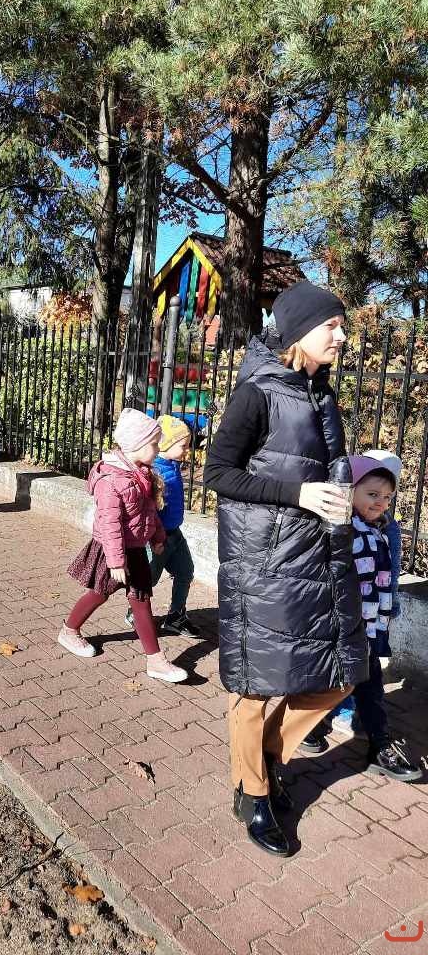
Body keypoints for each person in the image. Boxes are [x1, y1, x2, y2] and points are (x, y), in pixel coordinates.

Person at [203, 280, 369, 858]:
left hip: (319, 556)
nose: (342, 337)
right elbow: (218, 473)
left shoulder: (321, 394)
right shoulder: (257, 392)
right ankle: (252, 792)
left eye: (342, 326)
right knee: (255, 682)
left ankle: (270, 757)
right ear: (300, 329)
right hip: (264, 561)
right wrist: (298, 494)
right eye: (333, 326)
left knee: (342, 671)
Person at [58, 408, 188, 685]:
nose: (158, 450)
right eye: (154, 444)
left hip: (136, 548)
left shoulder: (142, 473)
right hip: (112, 550)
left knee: (141, 600)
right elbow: (110, 524)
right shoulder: (111, 480)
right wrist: (116, 561)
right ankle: (69, 630)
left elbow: (150, 512)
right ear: (137, 445)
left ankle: (155, 660)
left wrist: (157, 537)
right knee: (99, 593)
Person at [331, 455, 421, 780]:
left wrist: (387, 611)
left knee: (371, 686)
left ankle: (380, 747)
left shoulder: (380, 529)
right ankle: (305, 730)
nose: (381, 502)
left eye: (387, 497)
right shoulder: (341, 530)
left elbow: (387, 576)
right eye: (372, 494)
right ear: (350, 492)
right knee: (329, 686)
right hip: (341, 628)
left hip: (369, 628)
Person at [124, 415, 198, 637]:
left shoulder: (173, 465)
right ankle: (135, 612)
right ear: (166, 444)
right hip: (156, 537)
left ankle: (176, 616)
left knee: (185, 571)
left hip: (175, 534)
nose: (187, 450)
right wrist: (153, 536)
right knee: (148, 579)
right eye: (183, 445)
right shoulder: (153, 470)